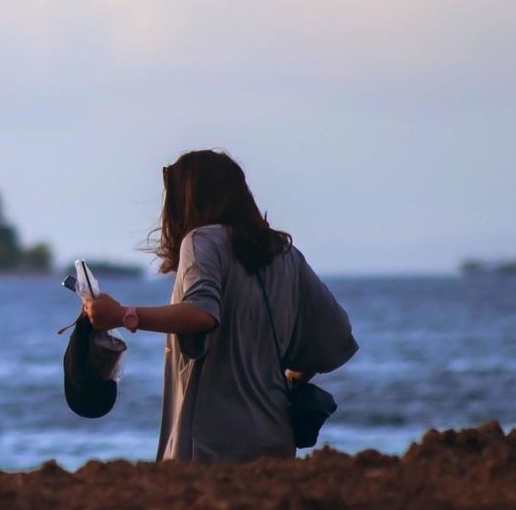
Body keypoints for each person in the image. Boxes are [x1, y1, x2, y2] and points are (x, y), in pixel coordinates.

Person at [82, 149, 358, 463]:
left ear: (188, 201)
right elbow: (336, 337)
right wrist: (290, 378)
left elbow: (201, 314)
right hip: (276, 437)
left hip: (210, 443)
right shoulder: (285, 255)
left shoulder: (201, 241)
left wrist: (122, 315)